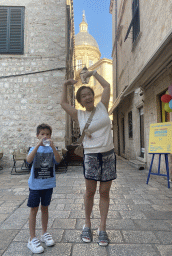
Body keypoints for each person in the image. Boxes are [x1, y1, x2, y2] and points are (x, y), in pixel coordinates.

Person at [60, 70, 116, 246]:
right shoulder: (79, 115)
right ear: (80, 101)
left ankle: (102, 228)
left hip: (108, 155)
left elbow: (107, 86)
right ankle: (87, 225)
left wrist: (93, 73)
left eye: (89, 94)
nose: (87, 97)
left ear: (93, 96)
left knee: (104, 192)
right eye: (83, 96)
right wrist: (64, 85)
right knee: (90, 192)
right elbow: (62, 103)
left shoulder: (102, 107)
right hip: (91, 156)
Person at [26, 123, 62, 254]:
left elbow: (58, 161)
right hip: (35, 185)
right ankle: (32, 238)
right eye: (42, 134)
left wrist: (53, 147)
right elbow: (28, 160)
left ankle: (44, 233)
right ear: (37, 136)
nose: (45, 136)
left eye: (47, 134)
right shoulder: (33, 148)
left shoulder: (52, 149)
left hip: (48, 184)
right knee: (34, 209)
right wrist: (37, 146)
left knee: (45, 208)